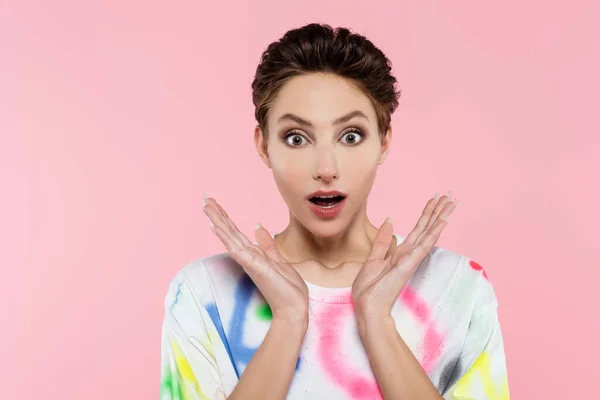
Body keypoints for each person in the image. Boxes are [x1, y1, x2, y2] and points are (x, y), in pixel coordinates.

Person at [159, 23, 510, 400]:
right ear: (263, 146)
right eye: (296, 138)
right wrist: (289, 321)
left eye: (350, 136)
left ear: (384, 140)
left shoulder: (459, 287)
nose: (326, 168)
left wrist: (376, 321)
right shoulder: (203, 292)